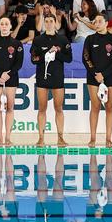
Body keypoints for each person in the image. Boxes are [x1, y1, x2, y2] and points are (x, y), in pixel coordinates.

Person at [31, 12, 71, 147]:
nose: (48, 23)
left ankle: (60, 137)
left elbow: (69, 59)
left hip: (58, 78)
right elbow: (33, 60)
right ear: (43, 23)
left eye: (51, 21)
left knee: (58, 108)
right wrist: (47, 53)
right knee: (42, 108)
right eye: (46, 21)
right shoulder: (37, 40)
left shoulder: (63, 40)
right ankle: (41, 138)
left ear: (56, 23)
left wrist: (57, 52)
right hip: (42, 77)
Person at [82, 12, 112, 147]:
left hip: (110, 77)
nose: (96, 24)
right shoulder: (90, 39)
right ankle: (93, 138)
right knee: (95, 106)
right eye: (95, 21)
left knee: (109, 106)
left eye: (99, 21)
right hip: (93, 77)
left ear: (106, 23)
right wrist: (95, 73)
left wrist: (103, 74)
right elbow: (86, 58)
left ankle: (108, 138)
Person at [0, 16, 23, 147]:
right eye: (2, 23)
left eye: (6, 23)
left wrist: (8, 75)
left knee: (10, 107)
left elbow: (19, 63)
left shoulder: (17, 44)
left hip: (11, 77)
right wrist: (0, 74)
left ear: (11, 26)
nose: (4, 26)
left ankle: (8, 137)